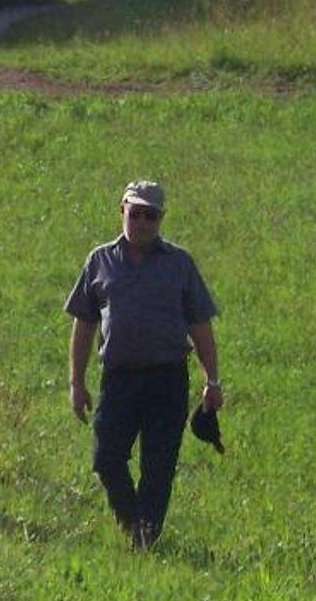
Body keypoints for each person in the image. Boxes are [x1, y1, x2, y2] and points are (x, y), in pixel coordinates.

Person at [65, 181, 223, 550]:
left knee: (158, 466)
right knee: (106, 460)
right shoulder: (100, 261)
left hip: (167, 379)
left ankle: (144, 540)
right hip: (118, 380)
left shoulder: (179, 264)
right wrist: (76, 382)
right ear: (122, 211)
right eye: (135, 214)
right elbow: (84, 324)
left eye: (150, 216)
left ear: (161, 218)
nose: (141, 222)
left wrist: (212, 381)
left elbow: (200, 325)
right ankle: (133, 523)